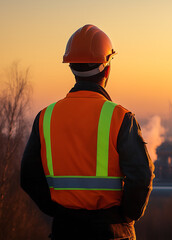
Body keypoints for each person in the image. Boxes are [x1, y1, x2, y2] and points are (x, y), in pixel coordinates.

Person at [20, 24, 154, 240]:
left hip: (65, 230)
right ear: (107, 68)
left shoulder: (46, 117)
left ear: (71, 67)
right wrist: (125, 216)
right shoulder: (120, 118)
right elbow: (141, 177)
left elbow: (28, 177)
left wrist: (58, 211)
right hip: (111, 231)